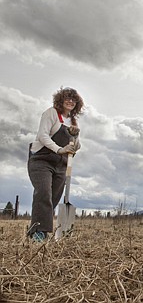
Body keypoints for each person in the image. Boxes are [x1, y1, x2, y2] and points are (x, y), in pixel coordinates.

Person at [27, 87, 84, 242]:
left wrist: (75, 136)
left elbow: (76, 147)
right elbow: (42, 135)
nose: (70, 101)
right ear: (60, 99)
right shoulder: (51, 113)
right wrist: (59, 149)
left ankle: (36, 228)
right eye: (67, 98)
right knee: (43, 192)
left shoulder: (73, 121)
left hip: (61, 164)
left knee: (53, 198)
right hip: (41, 160)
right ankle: (39, 233)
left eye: (73, 99)